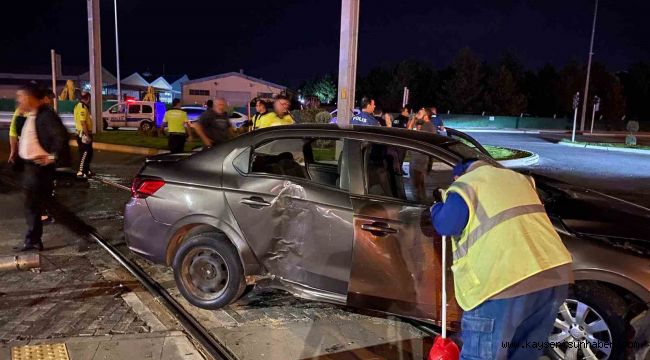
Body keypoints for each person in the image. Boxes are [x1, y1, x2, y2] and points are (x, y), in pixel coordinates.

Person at [430, 160, 573, 360]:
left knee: (481, 355)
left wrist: (436, 207)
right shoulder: (519, 179)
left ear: (458, 176)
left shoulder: (467, 184)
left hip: (502, 283)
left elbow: (446, 224)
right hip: (552, 277)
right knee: (524, 353)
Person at [15, 83, 70, 251]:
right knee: (34, 205)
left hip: (39, 170)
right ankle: (33, 239)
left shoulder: (46, 115)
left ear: (31, 97)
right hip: (31, 168)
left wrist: (52, 157)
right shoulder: (33, 114)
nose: (19, 101)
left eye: (22, 97)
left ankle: (33, 240)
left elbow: (61, 137)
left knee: (35, 205)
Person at [407, 108, 436, 201]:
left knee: (416, 186)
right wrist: (413, 119)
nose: (417, 115)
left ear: (426, 116)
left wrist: (429, 165)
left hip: (420, 159)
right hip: (415, 158)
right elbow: (408, 131)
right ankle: (422, 203)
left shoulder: (429, 127)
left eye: (419, 113)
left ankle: (419, 205)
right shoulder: (419, 123)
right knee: (419, 186)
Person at [73, 92, 94, 178]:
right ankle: (80, 171)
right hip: (84, 134)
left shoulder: (80, 106)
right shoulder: (82, 108)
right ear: (88, 98)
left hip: (83, 133)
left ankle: (87, 170)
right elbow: (83, 122)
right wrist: (87, 135)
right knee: (84, 153)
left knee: (89, 153)